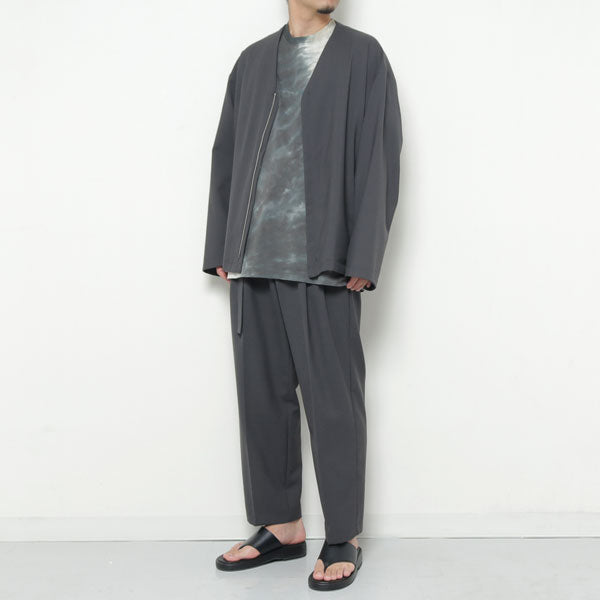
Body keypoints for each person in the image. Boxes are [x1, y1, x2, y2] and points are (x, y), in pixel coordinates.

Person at [202, 0, 402, 591]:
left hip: (325, 264)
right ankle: (281, 526)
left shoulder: (363, 57)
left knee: (334, 402)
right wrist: (221, 244)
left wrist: (363, 255)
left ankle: (343, 534)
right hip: (252, 262)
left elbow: (380, 155)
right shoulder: (252, 62)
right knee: (261, 401)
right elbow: (224, 155)